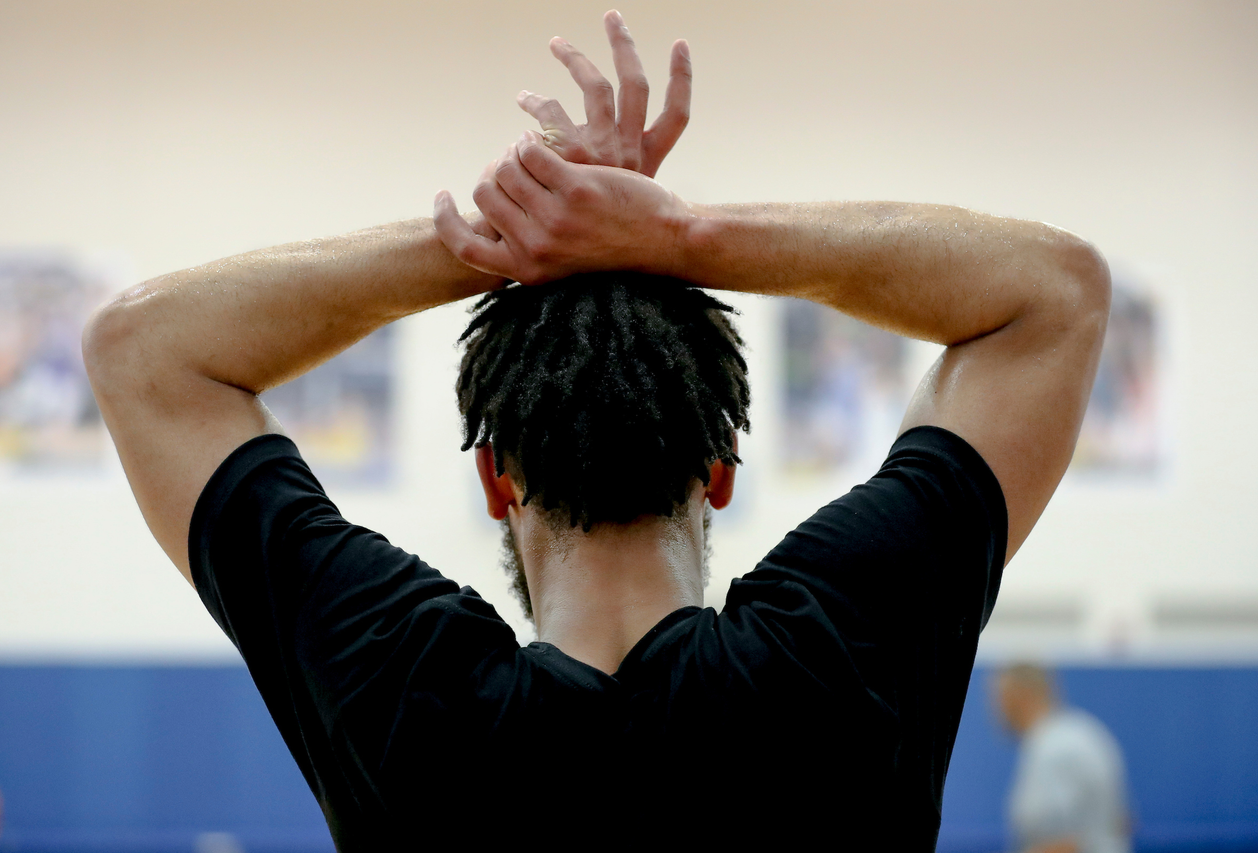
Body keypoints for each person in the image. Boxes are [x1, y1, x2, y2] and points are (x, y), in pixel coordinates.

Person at [82, 10, 1110, 850]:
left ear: (495, 477)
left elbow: (142, 351)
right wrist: (678, 233)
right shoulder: (835, 652)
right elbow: (1053, 295)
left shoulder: (403, 687)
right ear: (719, 468)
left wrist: (505, 232)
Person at [996, 663, 1133, 853]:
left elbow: (1067, 842)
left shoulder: (1053, 750)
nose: (997, 710)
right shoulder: (1083, 732)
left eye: (1000, 699)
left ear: (1019, 696)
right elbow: (1122, 821)